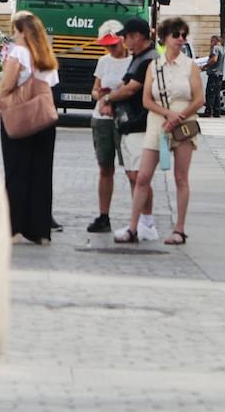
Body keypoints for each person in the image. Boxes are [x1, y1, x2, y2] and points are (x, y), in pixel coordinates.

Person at [116, 17, 203, 246]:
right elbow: (146, 99)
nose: (181, 40)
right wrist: (166, 114)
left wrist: (178, 116)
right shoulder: (154, 66)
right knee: (143, 176)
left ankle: (179, 230)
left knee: (181, 177)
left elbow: (199, 99)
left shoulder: (190, 66)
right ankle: (134, 227)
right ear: (165, 38)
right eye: (176, 35)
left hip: (183, 126)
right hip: (157, 125)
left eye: (184, 35)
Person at [0, 11, 60, 245]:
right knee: (41, 174)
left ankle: (15, 228)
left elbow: (6, 86)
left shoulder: (19, 53)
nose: (14, 37)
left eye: (16, 32)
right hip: (44, 121)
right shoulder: (47, 56)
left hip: (20, 118)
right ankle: (41, 231)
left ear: (24, 33)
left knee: (17, 172)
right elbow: (51, 86)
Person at [107, 18, 160, 241]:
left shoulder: (149, 59)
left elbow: (132, 88)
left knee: (140, 176)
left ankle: (143, 223)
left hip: (141, 123)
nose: (124, 41)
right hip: (131, 124)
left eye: (126, 36)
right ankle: (142, 221)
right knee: (133, 175)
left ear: (137, 36)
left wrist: (108, 97)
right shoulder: (139, 58)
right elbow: (126, 84)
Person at [86, 20, 129, 234]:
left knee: (133, 170)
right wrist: (100, 95)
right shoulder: (103, 61)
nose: (109, 49)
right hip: (101, 117)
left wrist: (115, 97)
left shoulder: (133, 62)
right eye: (106, 45)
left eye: (113, 44)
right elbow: (94, 89)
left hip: (124, 119)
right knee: (105, 168)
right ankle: (104, 216)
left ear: (122, 40)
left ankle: (139, 218)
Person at [201, 34, 225, 118]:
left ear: (215, 40)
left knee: (210, 93)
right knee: (217, 94)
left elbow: (214, 59)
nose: (210, 43)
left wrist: (205, 66)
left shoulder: (215, 48)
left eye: (211, 41)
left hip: (214, 74)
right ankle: (217, 112)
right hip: (220, 74)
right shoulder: (222, 49)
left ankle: (208, 112)